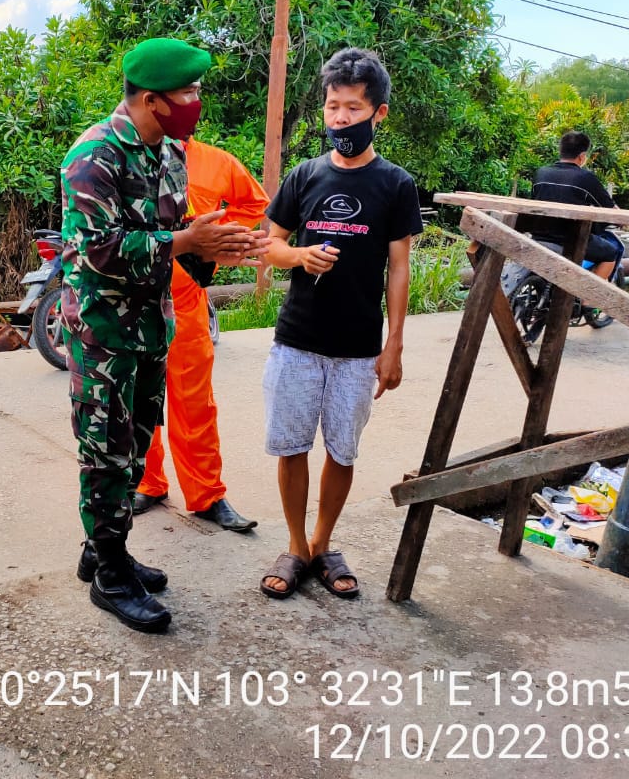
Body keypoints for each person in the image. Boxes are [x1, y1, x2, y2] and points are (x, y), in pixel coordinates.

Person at [60, 37, 268, 633]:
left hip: (154, 325)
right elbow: (95, 249)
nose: (197, 100)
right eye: (188, 91)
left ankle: (104, 548)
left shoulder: (168, 153)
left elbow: (177, 230)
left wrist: (215, 244)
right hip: (103, 332)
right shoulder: (93, 157)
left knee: (137, 439)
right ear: (152, 99)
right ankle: (110, 577)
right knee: (106, 450)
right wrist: (183, 242)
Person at [258, 47, 422, 601]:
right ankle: (296, 544)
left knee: (342, 451)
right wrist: (301, 256)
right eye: (333, 107)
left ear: (379, 114)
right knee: (291, 447)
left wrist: (393, 343)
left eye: (353, 108)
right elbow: (269, 246)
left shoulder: (396, 185)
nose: (340, 119)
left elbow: (398, 268)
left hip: (357, 348)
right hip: (297, 340)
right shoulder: (304, 177)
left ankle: (323, 544)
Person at [132, 137, 269, 532]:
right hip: (134, 300)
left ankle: (206, 494)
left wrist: (212, 244)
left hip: (186, 300)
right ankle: (147, 482)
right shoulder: (125, 156)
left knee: (195, 402)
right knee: (139, 396)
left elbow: (253, 203)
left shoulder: (216, 162)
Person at [530, 129, 621, 282]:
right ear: (582, 156)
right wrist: (621, 220)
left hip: (538, 236)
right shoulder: (585, 178)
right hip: (570, 240)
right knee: (611, 253)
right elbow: (611, 210)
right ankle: (588, 300)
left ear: (561, 151)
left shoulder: (541, 173)